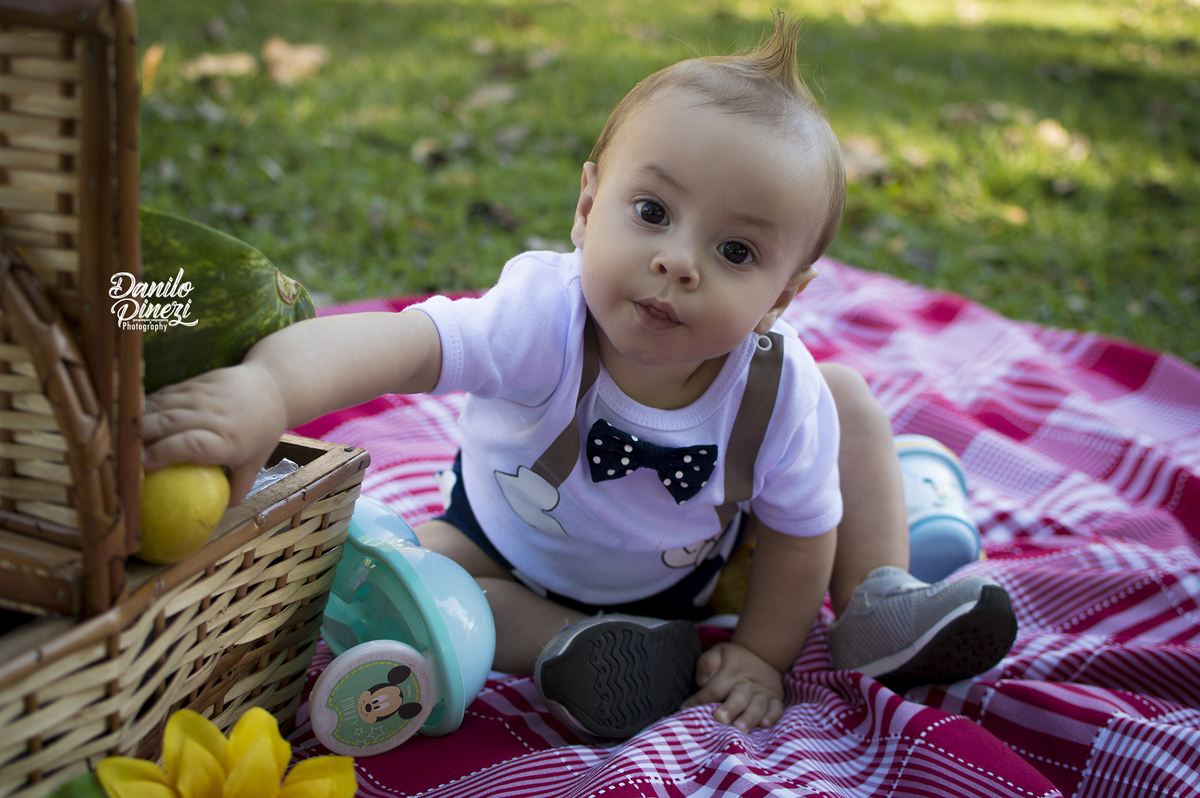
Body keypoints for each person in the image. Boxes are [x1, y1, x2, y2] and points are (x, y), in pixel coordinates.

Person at [144, 14, 1017, 740]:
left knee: (848, 404)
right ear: (587, 208)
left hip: (693, 571)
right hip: (506, 549)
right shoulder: (542, 319)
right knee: (423, 571)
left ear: (782, 297)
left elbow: (796, 538)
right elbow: (395, 346)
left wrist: (760, 654)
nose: (678, 261)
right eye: (652, 212)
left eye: (736, 250)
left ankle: (876, 600)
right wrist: (268, 388)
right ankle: (603, 654)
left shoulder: (773, 389)